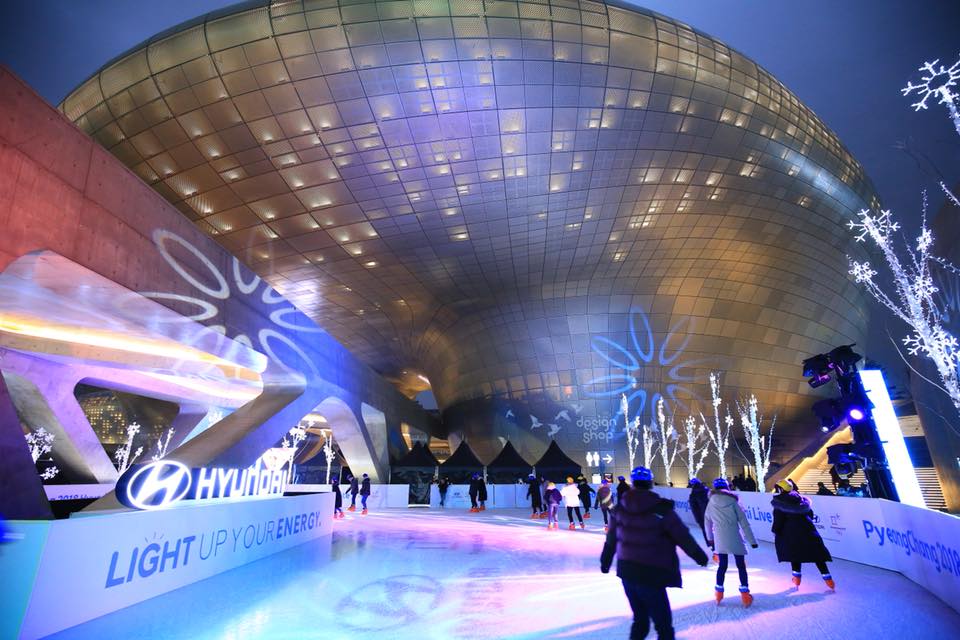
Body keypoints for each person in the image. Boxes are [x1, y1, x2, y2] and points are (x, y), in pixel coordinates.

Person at [601, 467, 709, 640]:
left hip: (627, 572)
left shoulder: (620, 509)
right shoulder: (661, 509)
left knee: (640, 621)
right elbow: (681, 535)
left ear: (633, 483)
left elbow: (611, 538)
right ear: (651, 483)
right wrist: (699, 556)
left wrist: (605, 561)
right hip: (651, 574)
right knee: (663, 626)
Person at [771, 480, 835, 590]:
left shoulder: (780, 503)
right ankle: (829, 581)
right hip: (809, 532)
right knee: (818, 556)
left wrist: (775, 531)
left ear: (780, 489)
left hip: (791, 535)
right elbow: (811, 514)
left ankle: (796, 580)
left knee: (795, 556)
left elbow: (778, 521)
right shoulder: (801, 500)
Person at [704, 478, 758, 606]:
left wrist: (710, 538)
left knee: (722, 566)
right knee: (741, 566)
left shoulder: (711, 502)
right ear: (727, 487)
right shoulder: (734, 501)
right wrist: (752, 541)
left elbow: (707, 522)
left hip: (720, 538)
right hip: (735, 535)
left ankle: (719, 593)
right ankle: (745, 595)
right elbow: (744, 522)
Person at [687, 478, 709, 545]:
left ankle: (712, 548)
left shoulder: (693, 495)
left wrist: (698, 520)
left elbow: (694, 509)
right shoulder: (707, 491)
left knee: (706, 532)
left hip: (702, 518)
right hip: (712, 516)